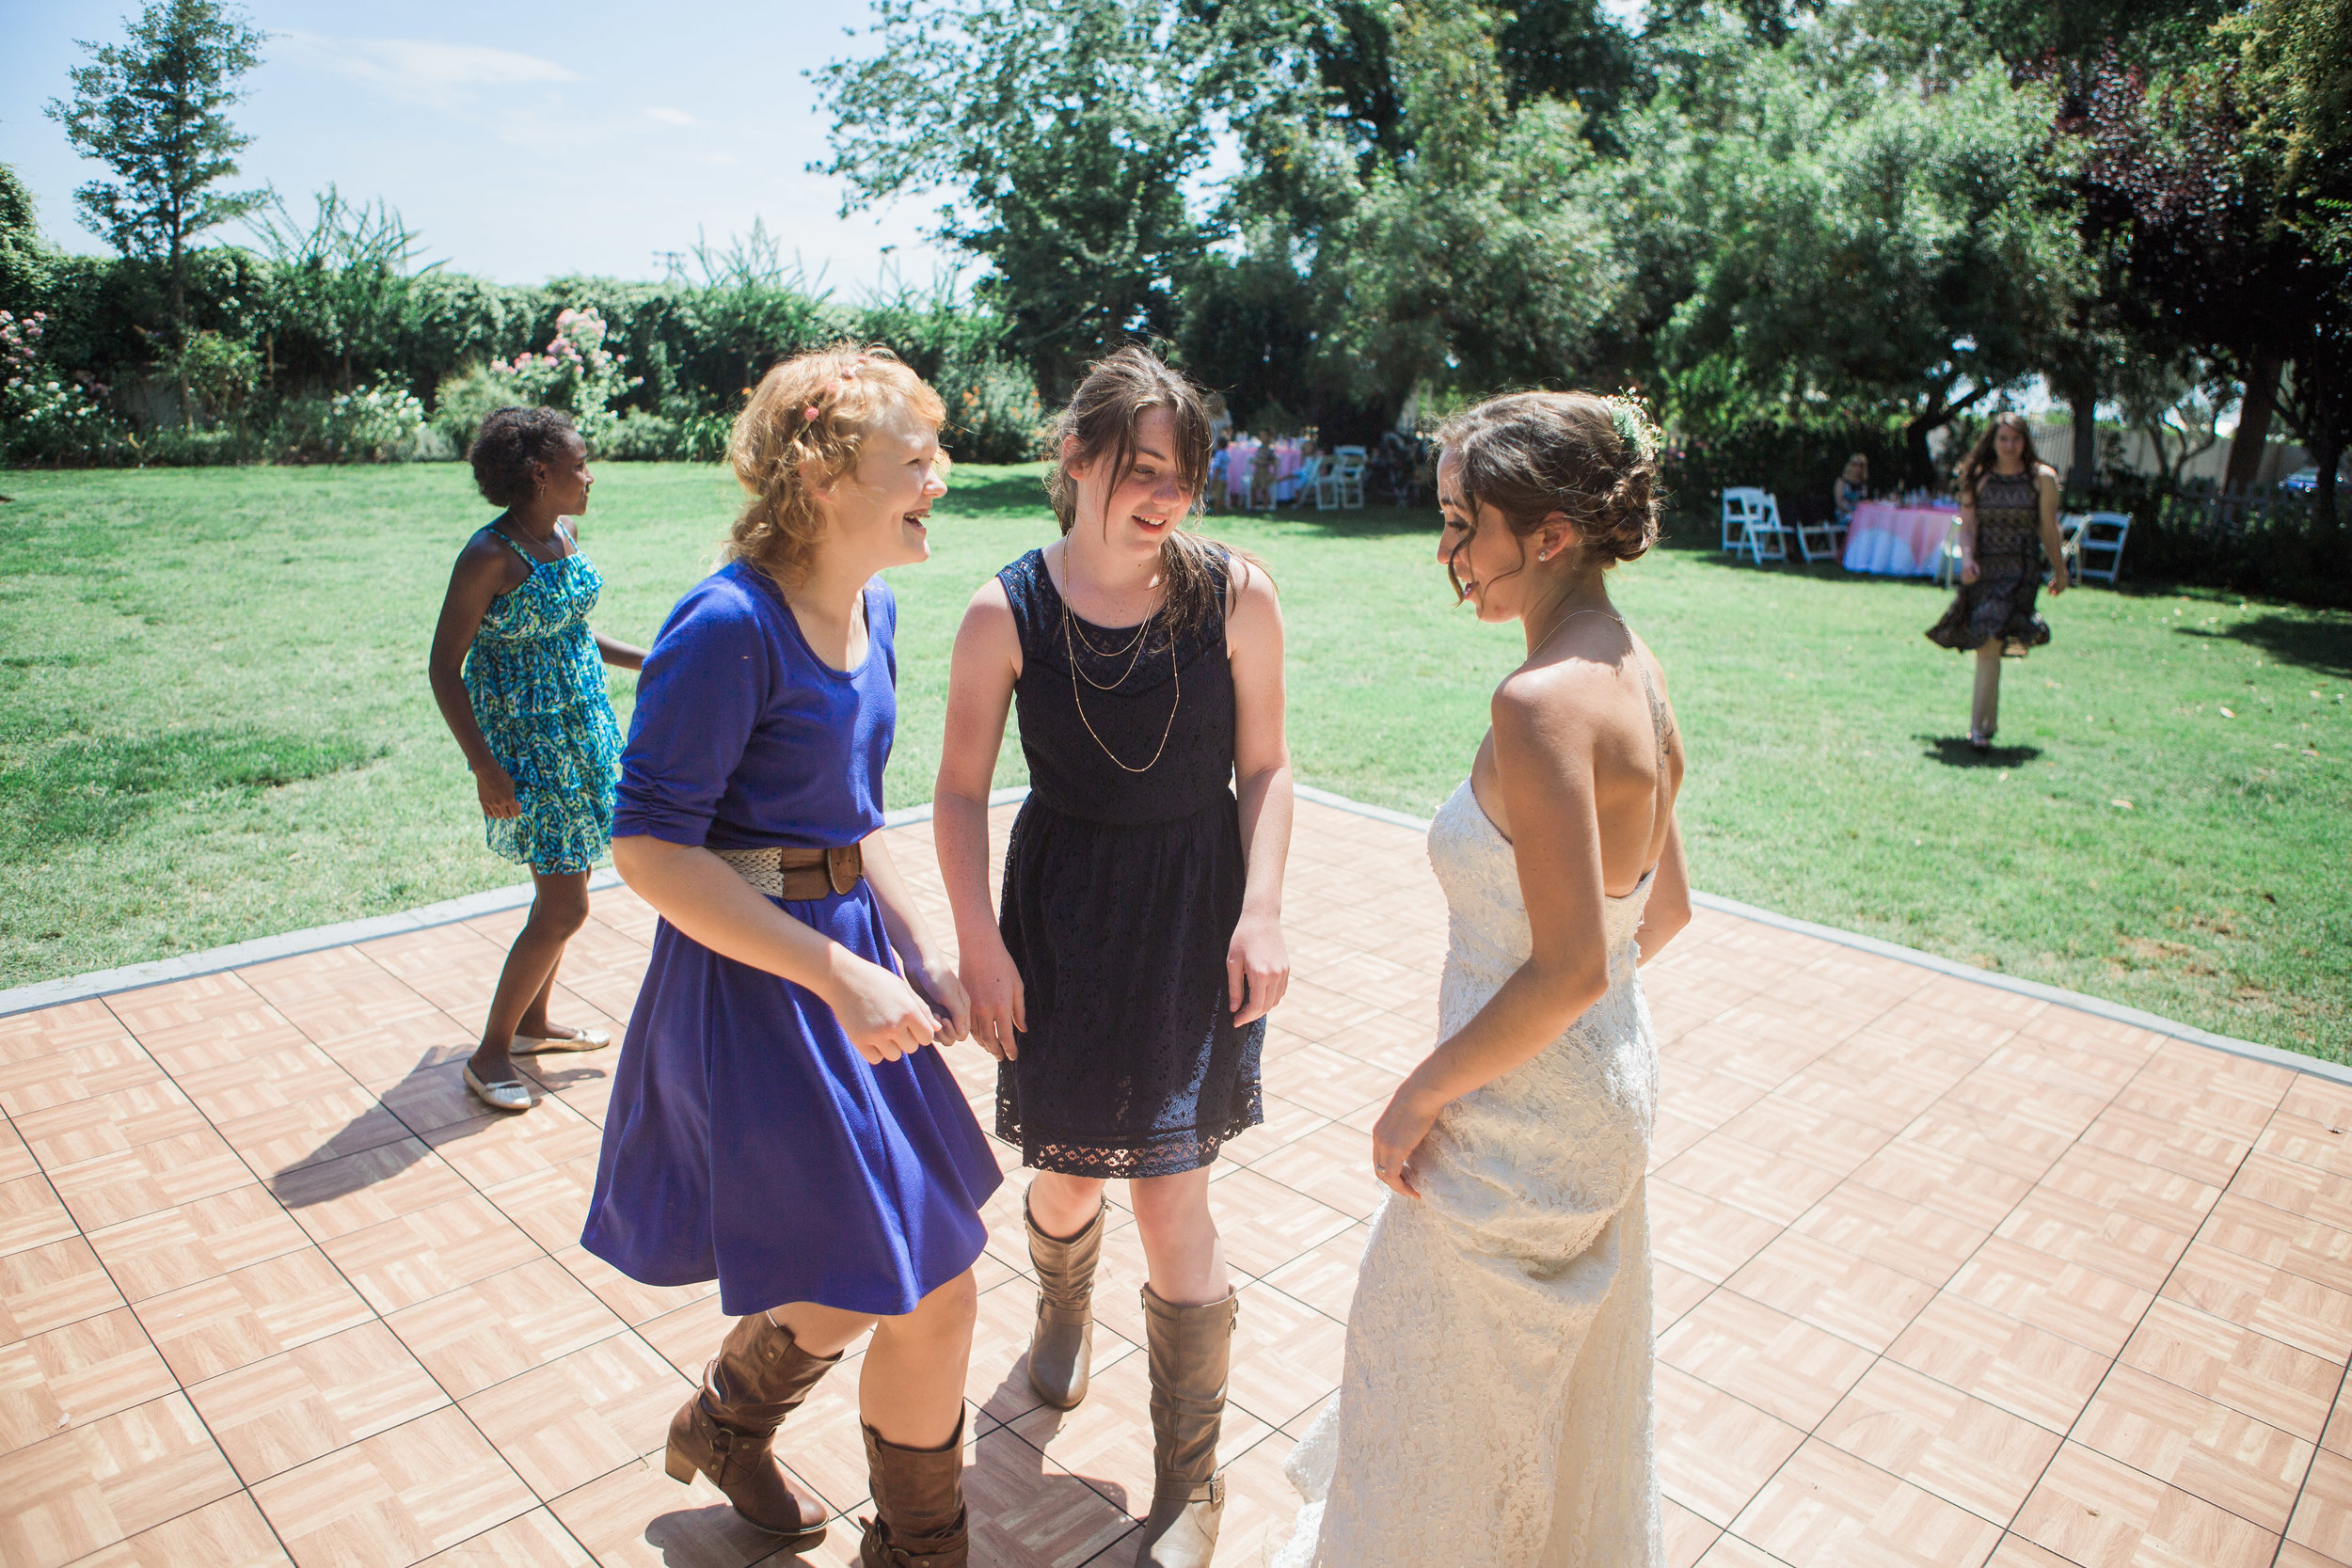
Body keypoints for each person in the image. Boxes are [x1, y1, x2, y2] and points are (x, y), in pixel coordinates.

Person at [580, 345, 997, 1565]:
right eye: (912, 461)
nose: (940, 480)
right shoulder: (727, 624)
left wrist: (922, 950)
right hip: (761, 984)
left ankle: (726, 1419)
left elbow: (850, 822)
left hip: (849, 961)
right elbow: (653, 853)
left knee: (889, 1263)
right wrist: (833, 971)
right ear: (819, 479)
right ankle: (917, 1548)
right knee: (922, 1276)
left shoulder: (879, 610)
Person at [1275, 390, 1692, 1568]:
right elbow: (1662, 909)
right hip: (1602, 1093)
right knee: (1520, 1421)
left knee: (1431, 1415)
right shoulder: (1635, 671)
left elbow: (1565, 966)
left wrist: (1419, 1092)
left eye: (1465, 524)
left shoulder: (1540, 701)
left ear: (1550, 532)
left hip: (1514, 1120)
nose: (1446, 552)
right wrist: (1575, 1023)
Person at [933, 345, 1294, 1568]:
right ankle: (1060, 1294)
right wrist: (977, 941)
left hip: (1198, 911)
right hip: (1067, 913)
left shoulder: (1236, 593)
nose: (1164, 499)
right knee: (1070, 1175)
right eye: (1140, 470)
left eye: (1183, 477)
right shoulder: (1005, 610)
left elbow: (1269, 765)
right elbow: (959, 790)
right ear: (1075, 459)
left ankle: (1191, 1483)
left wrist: (1268, 906)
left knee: (1172, 1186)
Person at [427, 407, 644, 1116]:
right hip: (528, 747)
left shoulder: (562, 534)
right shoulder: (490, 555)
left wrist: (651, 658)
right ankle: (488, 1051)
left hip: (583, 730)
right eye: (580, 463)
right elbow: (442, 668)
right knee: (564, 904)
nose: (590, 475)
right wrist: (484, 768)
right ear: (541, 473)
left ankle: (530, 1026)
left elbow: (573, 628)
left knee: (565, 888)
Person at [1926, 412, 2069, 751]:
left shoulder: (2042, 479)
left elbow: (2049, 529)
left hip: (2022, 571)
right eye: (2002, 439)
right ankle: (1980, 728)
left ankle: (1984, 725)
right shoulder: (1979, 476)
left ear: (2025, 441)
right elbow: (1969, 525)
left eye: (2015, 439)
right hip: (1986, 571)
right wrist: (1969, 558)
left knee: (1995, 640)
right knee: (1989, 641)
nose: (2009, 445)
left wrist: (2060, 571)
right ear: (1992, 441)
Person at [1833, 451, 1868, 523]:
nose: (1858, 468)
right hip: (1844, 513)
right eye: (1855, 465)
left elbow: (1864, 501)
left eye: (1861, 465)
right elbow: (1839, 503)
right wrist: (1852, 511)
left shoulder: (1862, 483)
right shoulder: (1841, 481)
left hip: (1860, 513)